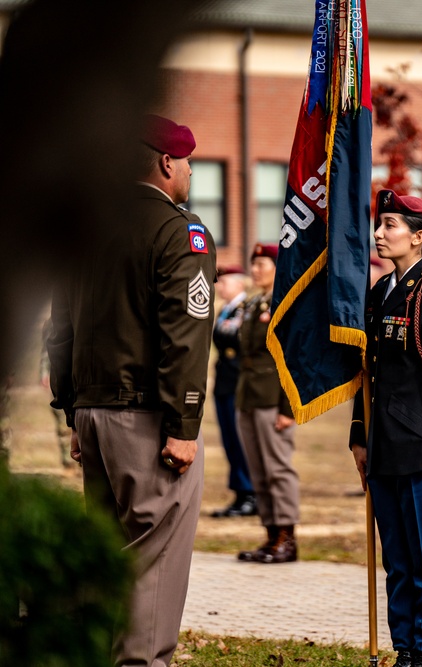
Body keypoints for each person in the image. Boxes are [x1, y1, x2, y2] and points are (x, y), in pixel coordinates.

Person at [46, 114, 215, 667]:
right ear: (167, 163)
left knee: (105, 550)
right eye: (186, 162)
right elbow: (185, 337)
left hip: (93, 413)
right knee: (155, 557)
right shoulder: (177, 231)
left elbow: (61, 327)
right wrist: (184, 426)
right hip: (147, 417)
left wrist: (72, 411)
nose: (188, 171)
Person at [349, 189, 422, 667]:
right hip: (384, 445)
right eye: (379, 225)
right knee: (397, 559)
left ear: (419, 238)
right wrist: (360, 437)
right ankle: (403, 647)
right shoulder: (380, 292)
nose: (379, 234)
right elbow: (368, 373)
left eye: (391, 226)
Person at [235, 243, 299, 564]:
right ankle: (271, 535)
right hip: (249, 396)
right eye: (255, 263)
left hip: (274, 400)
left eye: (264, 263)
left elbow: (291, 358)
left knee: (278, 469)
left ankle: (287, 537)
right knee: (259, 469)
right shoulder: (253, 302)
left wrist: (289, 408)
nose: (257, 269)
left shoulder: (284, 304)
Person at [209, 266, 256, 517]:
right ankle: (239, 492)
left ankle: (250, 492)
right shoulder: (224, 310)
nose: (219, 286)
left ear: (239, 284)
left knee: (241, 440)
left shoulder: (247, 309)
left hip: (239, 381)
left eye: (224, 281)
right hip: (224, 382)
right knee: (229, 439)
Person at [39, 317, 74, 470]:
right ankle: (68, 462)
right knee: (62, 419)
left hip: (78, 375)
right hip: (60, 376)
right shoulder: (51, 322)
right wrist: (44, 373)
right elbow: (47, 350)